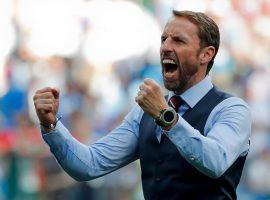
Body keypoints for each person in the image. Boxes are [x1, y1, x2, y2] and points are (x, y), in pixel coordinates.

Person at [33, 10, 251, 200]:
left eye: (178, 40)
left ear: (206, 54)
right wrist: (51, 127)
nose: (165, 47)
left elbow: (215, 162)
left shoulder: (231, 109)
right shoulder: (145, 112)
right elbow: (89, 165)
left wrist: (165, 116)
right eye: (164, 39)